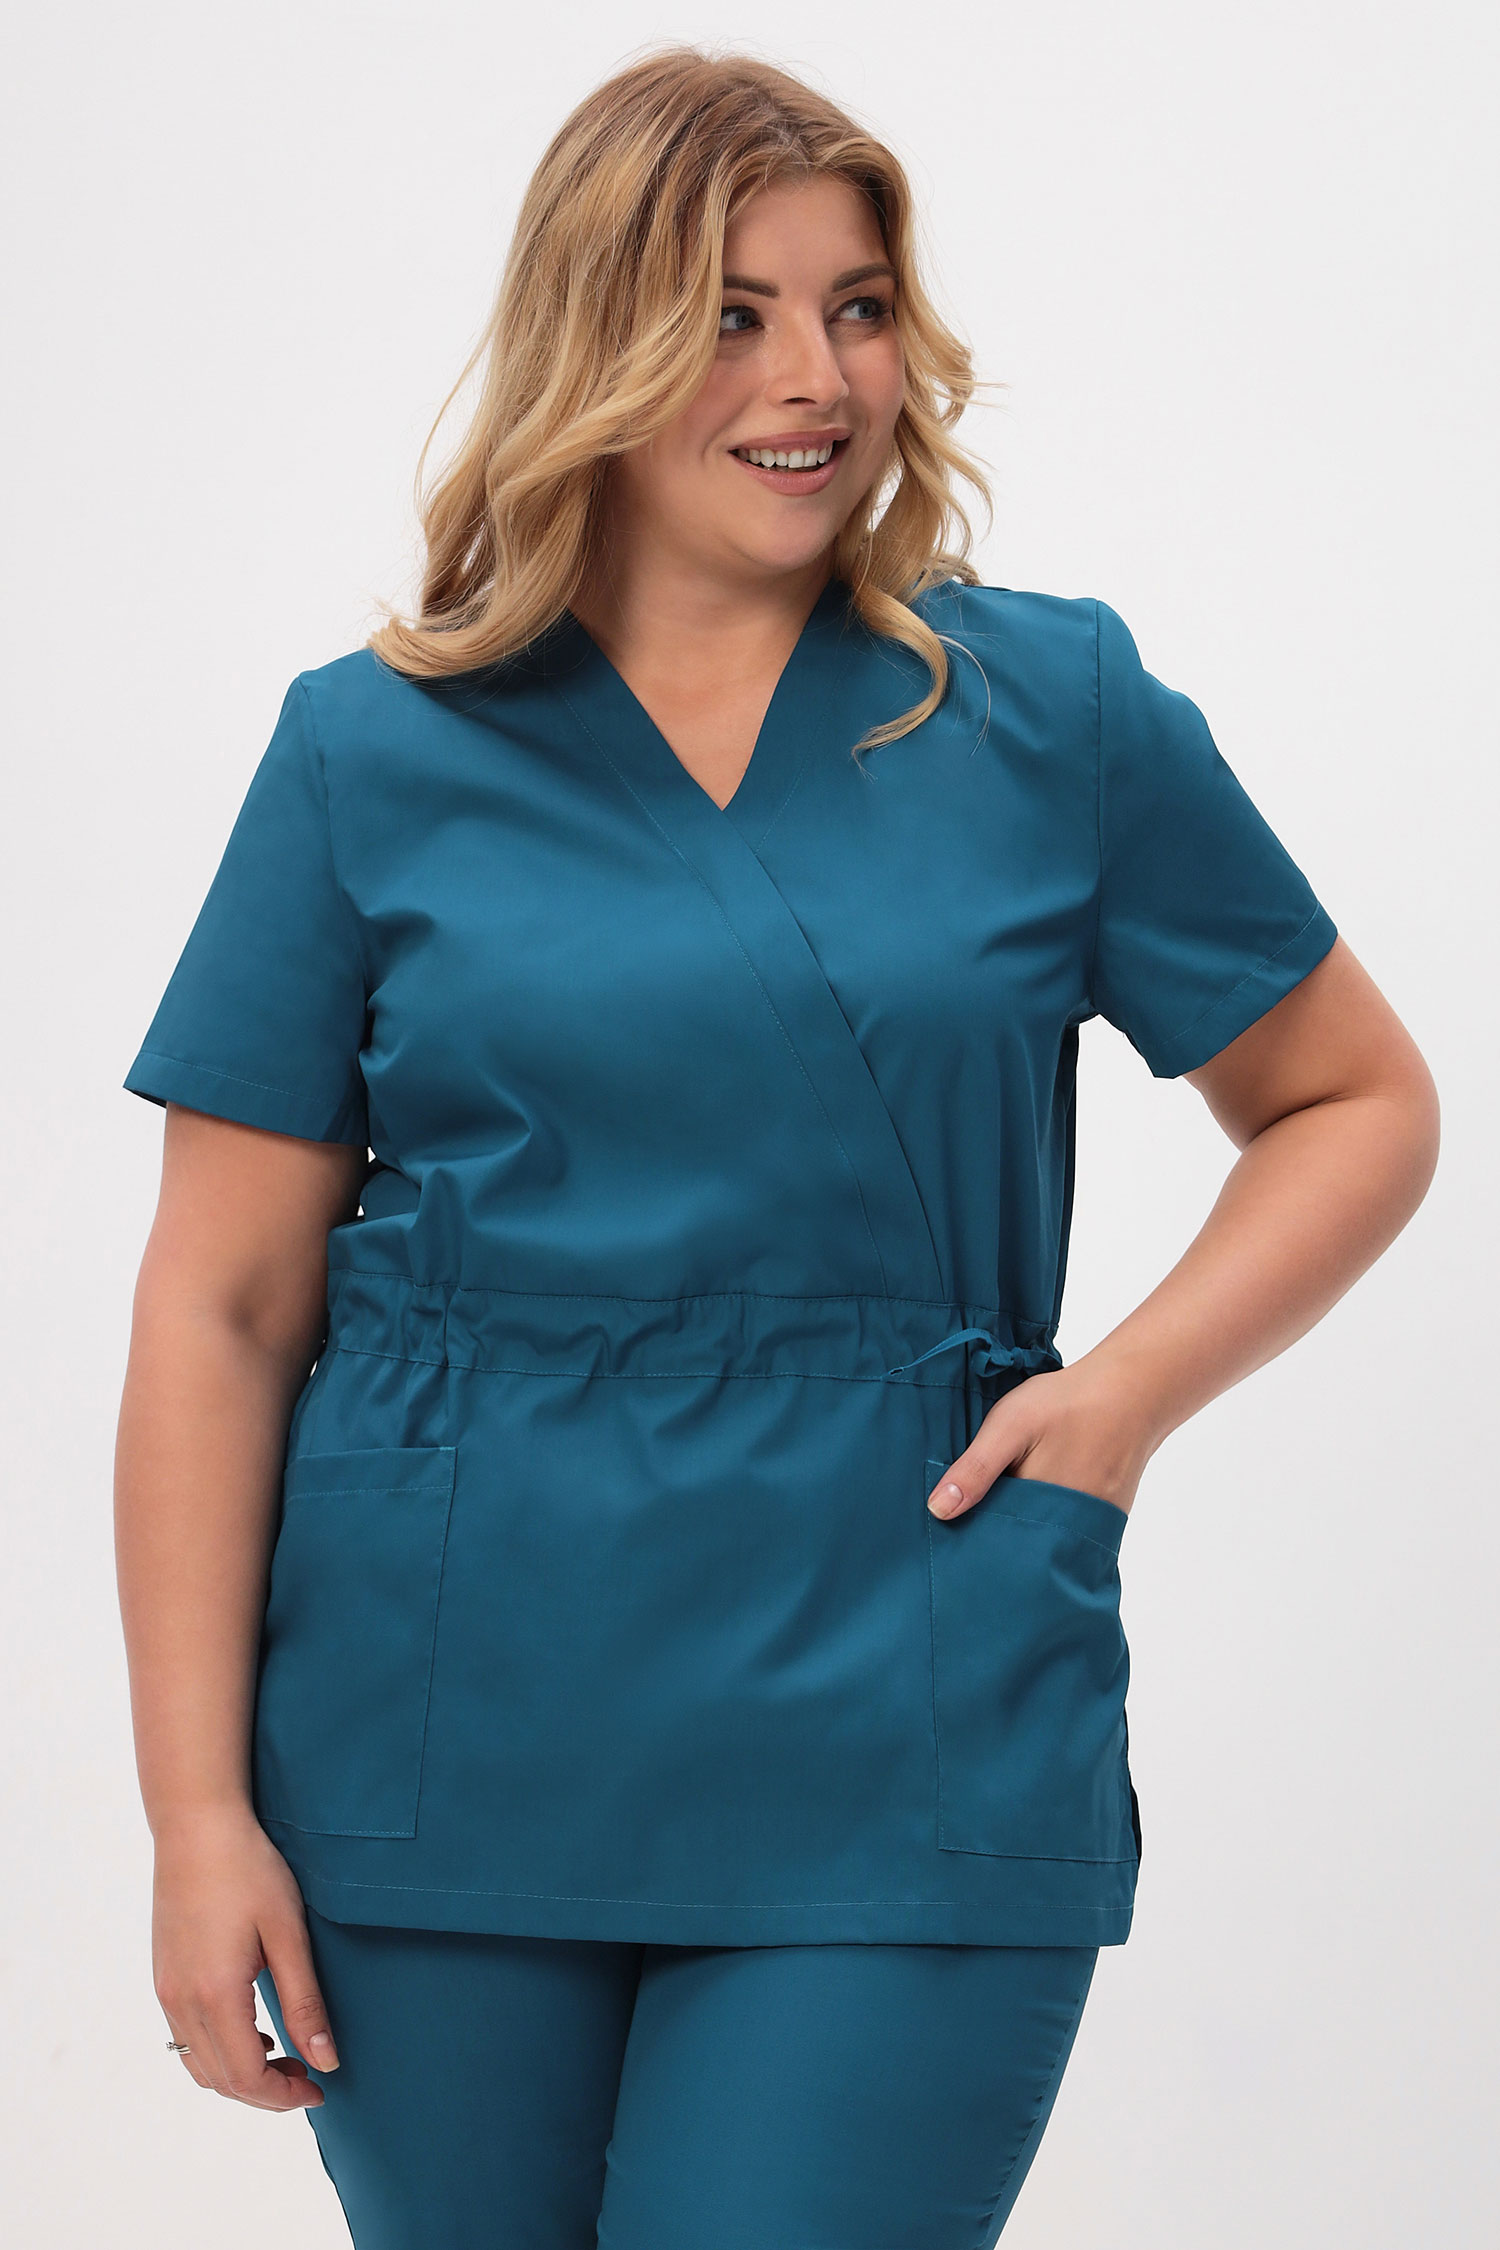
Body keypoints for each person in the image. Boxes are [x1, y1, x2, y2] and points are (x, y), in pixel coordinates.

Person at [113, 44, 1440, 2250]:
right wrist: (190, 1812)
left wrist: (1120, 1399)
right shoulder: (370, 749)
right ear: (595, 340)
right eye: (731, 314)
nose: (815, 377)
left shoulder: (1053, 715)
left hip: (904, 1697)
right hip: (443, 1735)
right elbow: (222, 1304)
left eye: (857, 306)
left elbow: (1354, 1100)